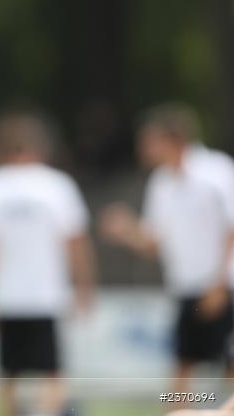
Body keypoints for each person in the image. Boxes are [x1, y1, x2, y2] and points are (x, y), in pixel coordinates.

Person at [0, 113, 95, 416]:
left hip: (4, 296)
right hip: (45, 295)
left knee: (9, 372)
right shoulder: (58, 186)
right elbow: (76, 244)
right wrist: (84, 287)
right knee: (51, 370)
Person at [100, 103, 234, 398]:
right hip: (187, 285)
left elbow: (231, 229)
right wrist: (126, 231)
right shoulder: (161, 182)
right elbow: (154, 242)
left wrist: (220, 282)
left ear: (173, 139)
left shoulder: (216, 172)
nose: (145, 149)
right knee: (184, 362)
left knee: (229, 364)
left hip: (223, 286)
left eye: (150, 141)